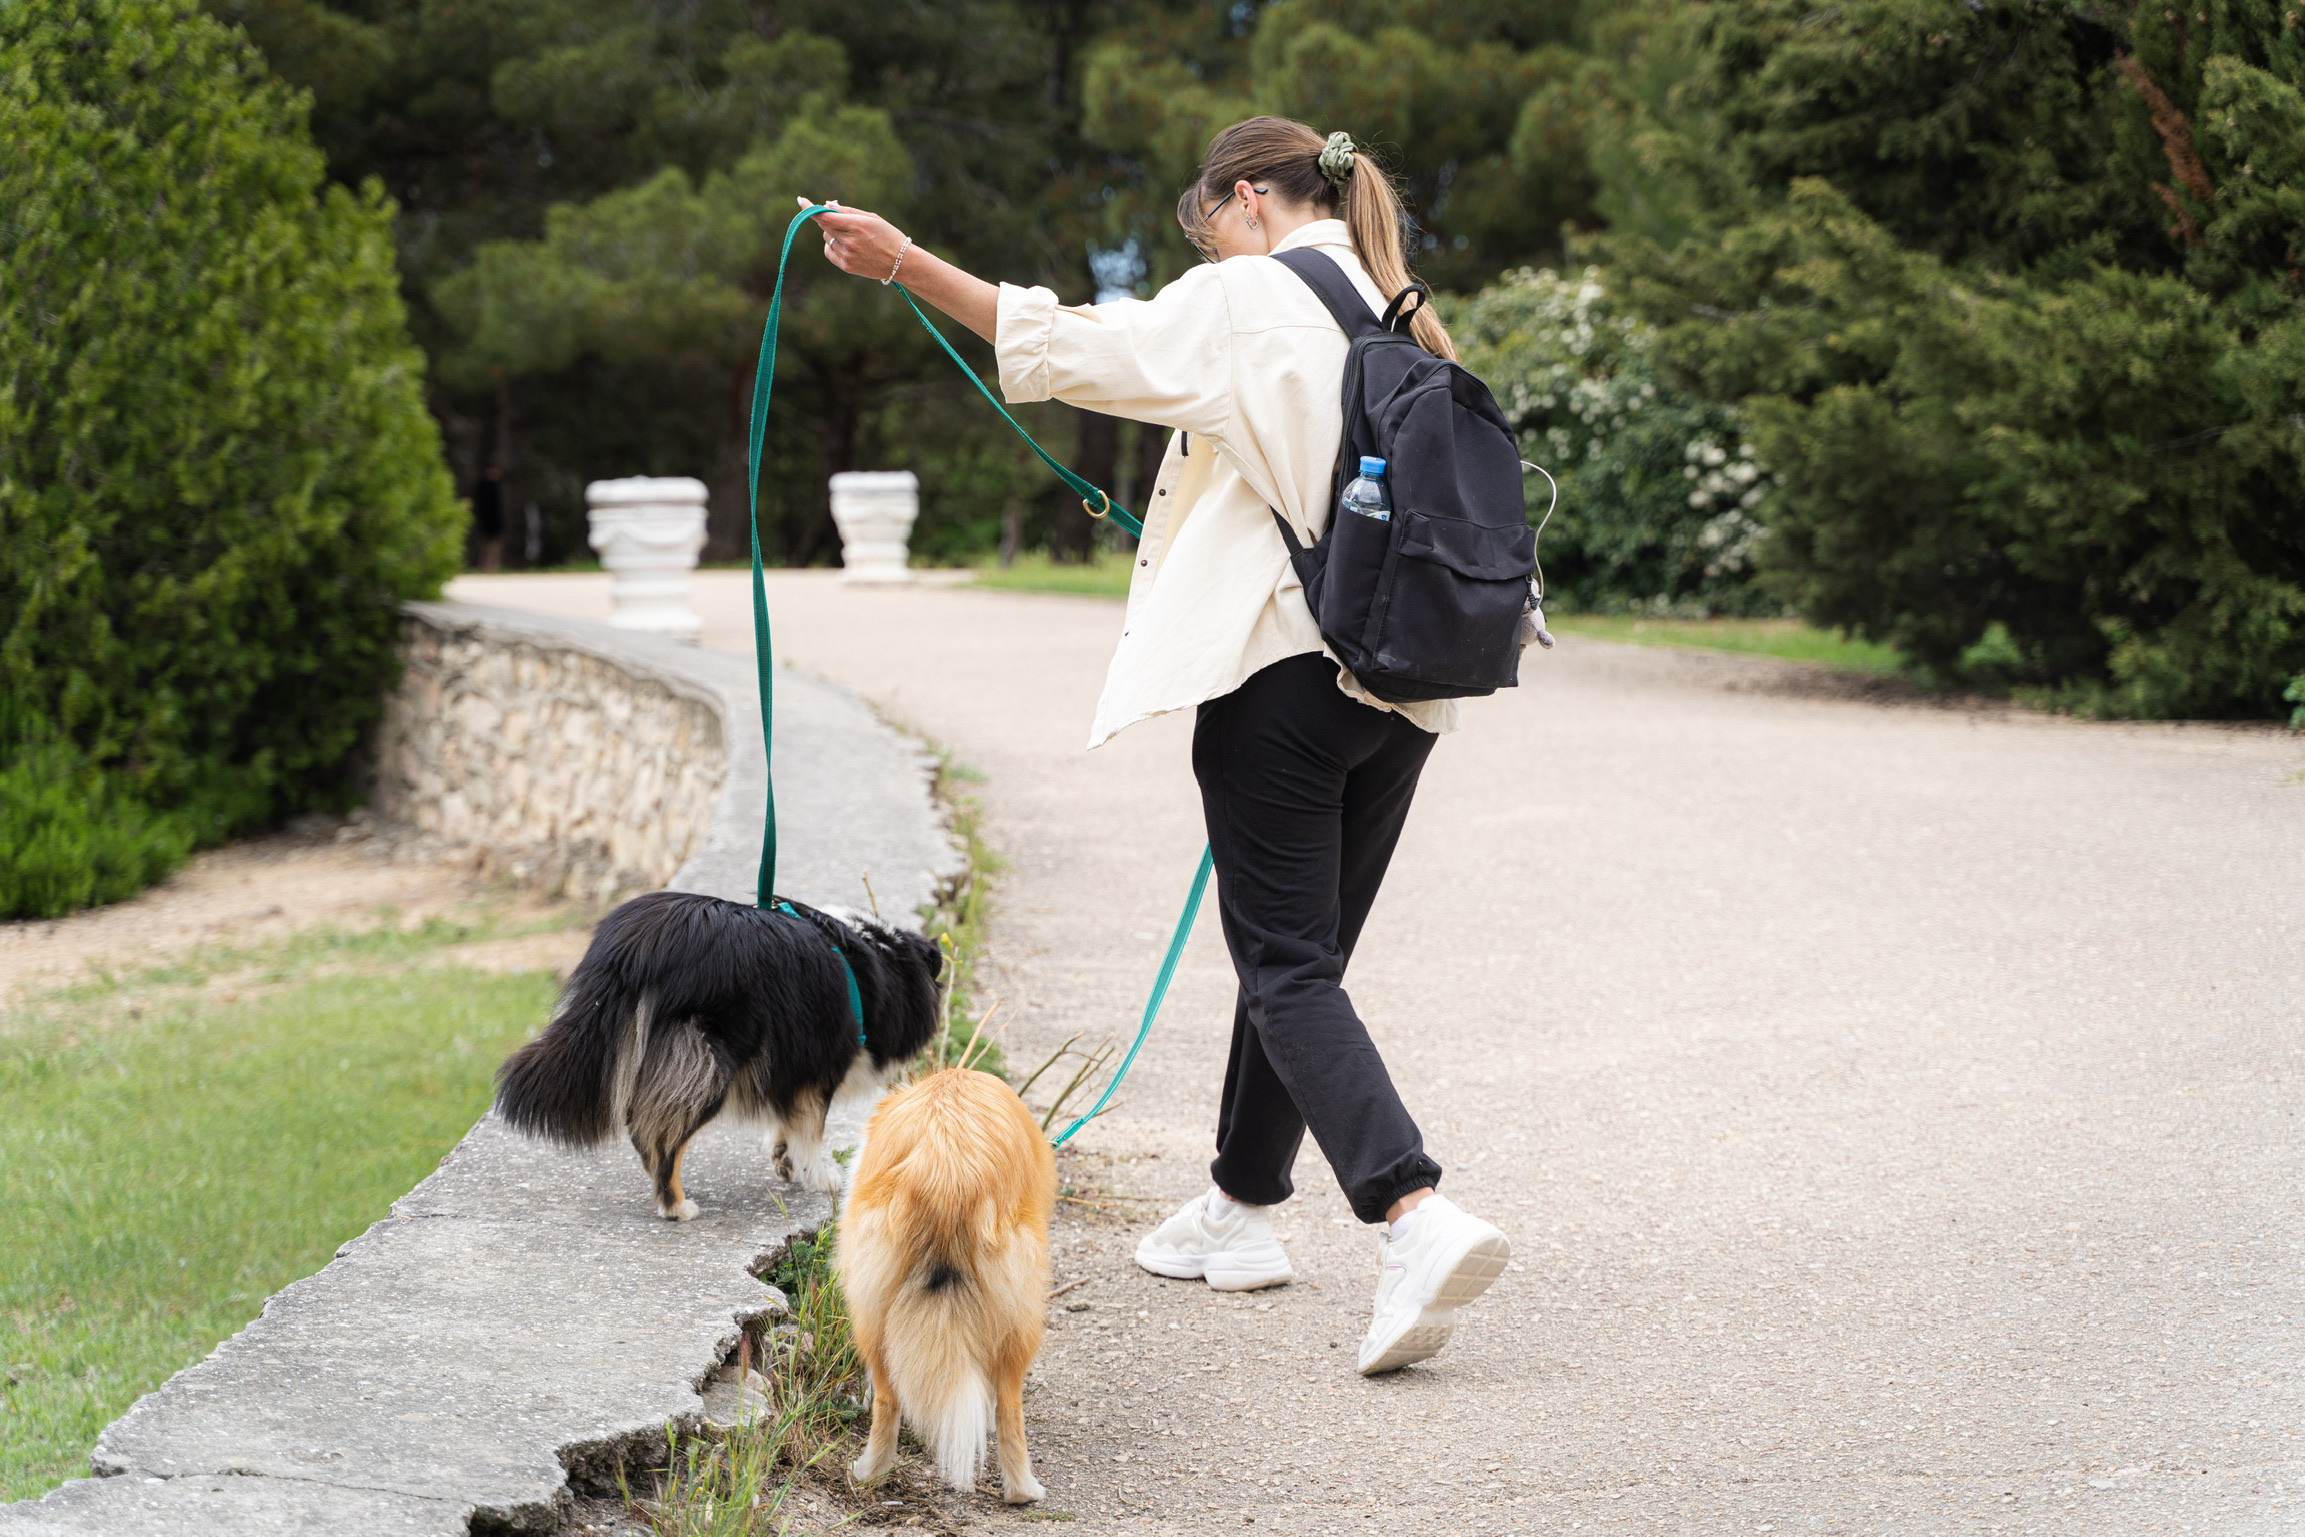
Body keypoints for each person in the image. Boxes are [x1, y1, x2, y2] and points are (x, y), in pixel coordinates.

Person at [813, 116, 1510, 1377]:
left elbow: (1074, 346)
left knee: (1287, 965)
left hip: (1283, 682)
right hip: (1406, 690)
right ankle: (1238, 1212)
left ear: (1247, 197)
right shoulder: (1395, 306)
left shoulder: (1252, 294)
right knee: (1299, 960)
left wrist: (908, 262)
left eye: (1209, 225)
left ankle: (1412, 1212)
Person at [470, 465, 506, 571]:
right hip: (490, 518)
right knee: (491, 543)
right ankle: (490, 564)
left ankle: (488, 564)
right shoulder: (490, 486)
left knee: (489, 543)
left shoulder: (482, 485)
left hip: (487, 518)